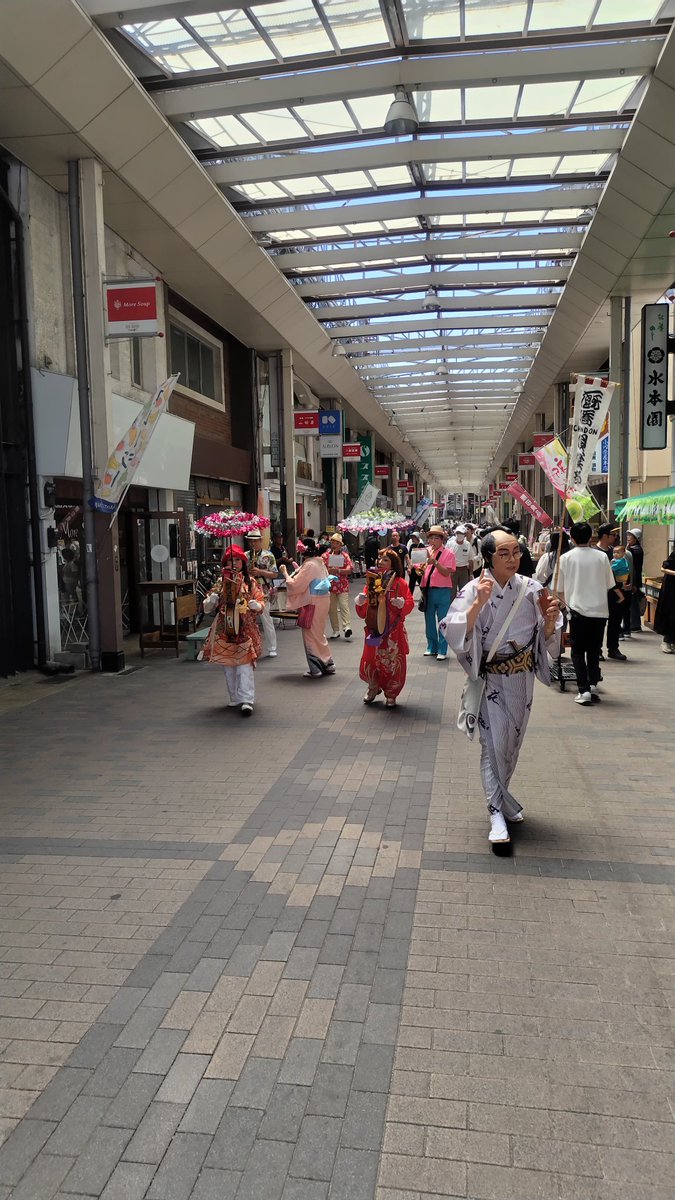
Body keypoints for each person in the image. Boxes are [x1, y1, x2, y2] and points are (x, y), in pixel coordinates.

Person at [440, 528, 561, 847]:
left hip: (521, 680)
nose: (512, 559)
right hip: (492, 678)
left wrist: (550, 622)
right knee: (493, 745)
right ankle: (496, 811)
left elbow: (549, 638)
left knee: (512, 744)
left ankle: (503, 799)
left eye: (516, 552)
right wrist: (477, 605)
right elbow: (453, 633)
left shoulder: (533, 589)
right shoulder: (473, 589)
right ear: (489, 558)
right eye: (504, 553)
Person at [556, 521, 621, 706]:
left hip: (577, 611)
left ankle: (583, 689)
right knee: (594, 650)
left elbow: (559, 590)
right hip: (599, 611)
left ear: (572, 537)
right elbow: (610, 584)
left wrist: (564, 606)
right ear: (591, 537)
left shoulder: (566, 558)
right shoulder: (601, 557)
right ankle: (592, 684)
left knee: (577, 651)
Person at [200, 546, 265, 716]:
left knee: (245, 665)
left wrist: (256, 605)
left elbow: (260, 601)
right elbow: (207, 607)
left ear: (243, 562)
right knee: (228, 666)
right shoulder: (221, 582)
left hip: (245, 628)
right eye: (230, 560)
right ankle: (234, 696)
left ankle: (247, 699)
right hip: (225, 628)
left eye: (237, 560)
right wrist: (211, 600)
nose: (234, 563)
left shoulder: (249, 581)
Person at [355, 548, 415, 707]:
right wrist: (361, 602)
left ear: (394, 564)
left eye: (386, 560)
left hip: (393, 631)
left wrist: (402, 604)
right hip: (374, 630)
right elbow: (365, 610)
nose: (381, 562)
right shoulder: (372, 581)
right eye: (380, 558)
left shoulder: (400, 583)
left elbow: (409, 603)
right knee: (370, 660)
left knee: (392, 662)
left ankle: (391, 693)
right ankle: (373, 687)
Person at [281, 544, 336, 678]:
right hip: (322, 600)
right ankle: (328, 662)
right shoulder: (319, 563)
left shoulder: (309, 565)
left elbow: (295, 585)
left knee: (310, 634)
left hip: (312, 602)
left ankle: (316, 668)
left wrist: (284, 572)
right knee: (318, 632)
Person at [420, 526, 456, 661]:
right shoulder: (426, 551)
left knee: (442, 621)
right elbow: (420, 568)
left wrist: (434, 562)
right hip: (428, 590)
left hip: (442, 591)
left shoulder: (449, 553)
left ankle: (442, 649)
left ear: (442, 540)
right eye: (431, 538)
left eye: (436, 538)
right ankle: (431, 647)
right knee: (429, 620)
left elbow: (447, 572)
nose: (433, 541)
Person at [596, 523, 625, 660]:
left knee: (615, 621)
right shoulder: (594, 553)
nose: (615, 537)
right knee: (599, 622)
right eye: (613, 534)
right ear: (604, 536)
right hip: (600, 592)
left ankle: (613, 648)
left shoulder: (616, 551)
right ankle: (597, 650)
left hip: (616, 592)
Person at [246, 530, 278, 658]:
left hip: (263, 589)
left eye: (255, 540)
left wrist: (261, 572)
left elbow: (274, 574)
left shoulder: (268, 556)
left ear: (260, 541)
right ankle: (250, 647)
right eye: (251, 541)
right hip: (249, 589)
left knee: (266, 619)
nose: (253, 543)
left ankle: (272, 647)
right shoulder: (245, 556)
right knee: (248, 620)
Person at [323, 532, 353, 640]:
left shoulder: (345, 556)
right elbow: (321, 568)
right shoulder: (326, 556)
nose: (334, 545)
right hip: (330, 586)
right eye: (333, 542)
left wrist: (338, 570)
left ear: (341, 545)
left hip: (342, 585)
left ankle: (347, 626)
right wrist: (328, 571)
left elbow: (350, 570)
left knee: (344, 605)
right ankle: (335, 630)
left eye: (336, 543)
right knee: (332, 609)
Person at [654, 547, 675, 653]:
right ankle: (666, 641)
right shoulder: (674, 555)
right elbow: (663, 569)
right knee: (671, 614)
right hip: (671, 589)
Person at [446, 525, 475, 592]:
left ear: (464, 534)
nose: (459, 535)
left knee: (464, 591)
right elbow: (446, 558)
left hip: (464, 571)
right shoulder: (450, 544)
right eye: (458, 533)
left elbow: (471, 560)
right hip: (452, 571)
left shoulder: (467, 544)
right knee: (452, 592)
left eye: (461, 533)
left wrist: (471, 574)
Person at [626, 528, 644, 632]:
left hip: (634, 580)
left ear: (636, 538)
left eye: (630, 536)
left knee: (633, 603)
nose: (628, 537)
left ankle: (635, 625)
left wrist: (634, 583)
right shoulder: (634, 549)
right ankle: (634, 624)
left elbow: (635, 568)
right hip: (634, 580)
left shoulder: (635, 550)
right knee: (633, 603)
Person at [407, 530, 426, 595]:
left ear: (417, 538)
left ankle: (424, 599)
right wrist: (409, 567)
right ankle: (409, 599)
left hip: (420, 568)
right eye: (411, 537)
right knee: (411, 585)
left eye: (413, 537)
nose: (412, 539)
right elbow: (409, 557)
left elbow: (424, 558)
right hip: (413, 568)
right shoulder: (412, 546)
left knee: (421, 585)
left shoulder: (422, 545)